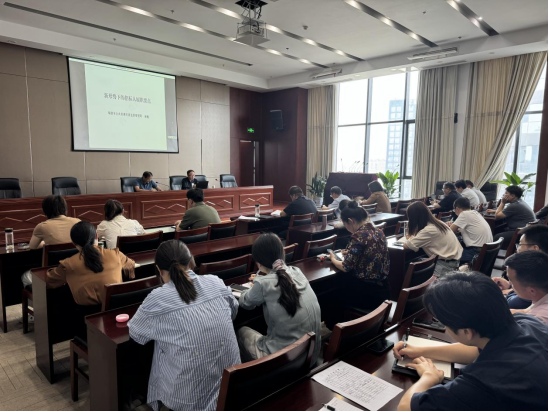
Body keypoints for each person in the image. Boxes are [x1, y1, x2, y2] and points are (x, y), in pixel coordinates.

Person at [394, 271, 547, 411]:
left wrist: (428, 377)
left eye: (443, 323)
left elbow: (405, 408)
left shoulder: (482, 383)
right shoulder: (526, 322)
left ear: (467, 332)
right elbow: (475, 350)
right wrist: (419, 351)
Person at [128, 240, 240, 411]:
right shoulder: (215, 282)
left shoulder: (157, 298)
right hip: (231, 391)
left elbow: (135, 334)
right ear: (191, 261)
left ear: (159, 270)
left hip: (186, 402)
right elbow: (233, 312)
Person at [238, 233, 321, 364]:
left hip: (285, 361)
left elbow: (245, 302)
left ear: (258, 262)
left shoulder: (263, 283)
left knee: (241, 331)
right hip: (312, 355)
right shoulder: (297, 271)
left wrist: (258, 281)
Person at [46, 221, 135, 305]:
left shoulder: (68, 265)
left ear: (74, 243)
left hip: (84, 313)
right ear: (96, 236)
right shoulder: (115, 254)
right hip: (116, 308)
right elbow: (131, 265)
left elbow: (48, 282)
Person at [328, 201, 391, 313]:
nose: (346, 228)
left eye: (345, 224)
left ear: (350, 221)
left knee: (331, 292)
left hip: (367, 293)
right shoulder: (379, 231)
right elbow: (370, 252)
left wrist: (332, 258)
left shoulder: (359, 236)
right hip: (384, 289)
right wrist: (350, 252)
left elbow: (346, 267)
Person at [21, 195, 80, 287]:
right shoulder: (78, 222)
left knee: (25, 276)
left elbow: (32, 246)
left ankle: (40, 296)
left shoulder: (42, 226)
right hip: (76, 271)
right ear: (65, 208)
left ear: (45, 210)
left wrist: (45, 243)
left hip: (54, 274)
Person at [493, 225, 548, 309]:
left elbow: (515, 303)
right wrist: (511, 285)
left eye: (520, 244)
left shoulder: (535, 274)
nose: (517, 249)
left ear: (534, 248)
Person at [402, 202, 462, 277]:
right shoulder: (438, 223)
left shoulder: (429, 230)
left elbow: (408, 245)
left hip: (444, 266)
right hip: (453, 262)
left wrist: (409, 239)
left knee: (407, 268)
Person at [504, 250, 548, 324]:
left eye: (511, 280)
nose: (510, 283)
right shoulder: (541, 296)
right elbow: (526, 311)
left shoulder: (536, 321)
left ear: (532, 291)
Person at [448, 197, 492, 265]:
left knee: (448, 257)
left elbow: (450, 231)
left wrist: (449, 225)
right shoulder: (475, 213)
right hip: (486, 250)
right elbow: (467, 228)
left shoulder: (464, 214)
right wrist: (455, 226)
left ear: (457, 209)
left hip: (476, 252)